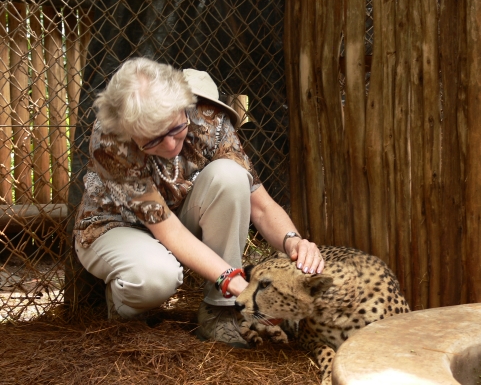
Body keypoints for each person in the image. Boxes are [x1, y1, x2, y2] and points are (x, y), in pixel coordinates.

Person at [73, 57, 324, 348]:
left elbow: (261, 205)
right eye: (152, 140)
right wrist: (240, 286)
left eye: (175, 128)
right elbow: (169, 231)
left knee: (231, 176)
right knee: (155, 278)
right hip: (115, 226)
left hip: (177, 219)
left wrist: (293, 241)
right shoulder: (111, 138)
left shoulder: (209, 118)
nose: (170, 145)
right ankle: (125, 306)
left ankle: (219, 311)